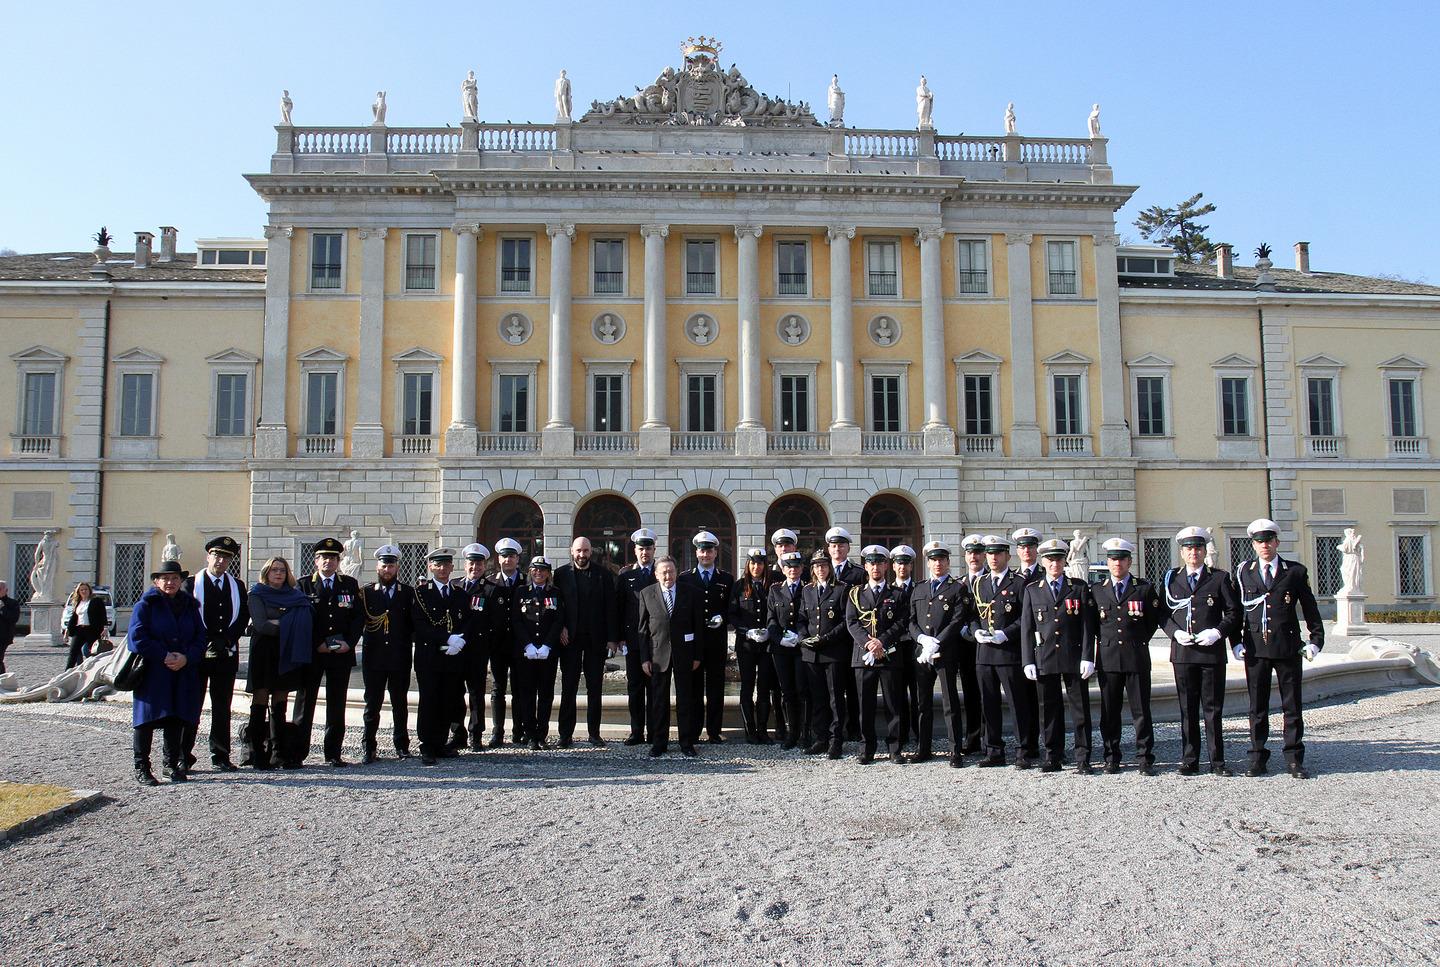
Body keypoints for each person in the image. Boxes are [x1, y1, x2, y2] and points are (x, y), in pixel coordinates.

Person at [1234, 518, 1325, 779]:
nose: (1264, 546)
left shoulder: (1294, 571)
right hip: (1255, 648)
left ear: (1277, 542)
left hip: (1287, 647)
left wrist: (1316, 641)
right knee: (1257, 707)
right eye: (1259, 541)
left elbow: (1310, 609)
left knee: (1291, 705)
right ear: (1253, 544)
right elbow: (1237, 610)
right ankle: (1257, 757)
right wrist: (1236, 641)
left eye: (1269, 541)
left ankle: (1294, 758)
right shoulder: (1244, 572)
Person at [1163, 526, 1241, 776]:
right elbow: (1163, 614)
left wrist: (1217, 632)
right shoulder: (1171, 578)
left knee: (1212, 709)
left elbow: (1233, 612)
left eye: (1198, 548)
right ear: (1182, 553)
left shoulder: (1219, 578)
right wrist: (1175, 632)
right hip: (1183, 653)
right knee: (1187, 709)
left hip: (1211, 654)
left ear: (1205, 551)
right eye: (1188, 548)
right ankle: (1190, 760)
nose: (1193, 552)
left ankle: (1217, 761)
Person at [1020, 539, 1098, 774]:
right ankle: (1052, 755)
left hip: (1073, 656)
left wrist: (1088, 656)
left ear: (1065, 561)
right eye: (1050, 559)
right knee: (1048, 709)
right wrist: (1027, 660)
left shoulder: (1079, 587)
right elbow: (1027, 627)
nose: (1055, 563)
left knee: (1080, 709)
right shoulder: (1033, 590)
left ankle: (1083, 756)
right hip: (1045, 656)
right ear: (1043, 562)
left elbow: (1087, 626)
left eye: (1059, 559)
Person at [126, 561, 205, 786]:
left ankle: (171, 763)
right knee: (146, 720)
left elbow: (200, 638)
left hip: (181, 670)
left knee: (176, 717)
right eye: (165, 578)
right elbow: (137, 638)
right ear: (156, 581)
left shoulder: (190, 606)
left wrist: (186, 657)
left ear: (181, 581)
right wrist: (164, 655)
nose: (170, 582)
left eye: (175, 578)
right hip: (154, 671)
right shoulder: (146, 605)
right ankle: (141, 766)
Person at [1092, 538, 1163, 775]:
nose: (1117, 563)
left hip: (1136, 656)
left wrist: (1137, 639)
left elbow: (1153, 621)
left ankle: (1145, 757)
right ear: (1108, 562)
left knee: (1141, 711)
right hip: (1109, 657)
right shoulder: (1098, 590)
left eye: (1121, 559)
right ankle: (1111, 757)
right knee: (1109, 712)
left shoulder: (1143, 588)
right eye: (1113, 559)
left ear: (1129, 561)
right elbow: (1093, 625)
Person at [180, 536, 249, 772]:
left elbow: (242, 616)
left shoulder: (237, 585)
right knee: (192, 705)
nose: (221, 560)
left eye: (226, 557)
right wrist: (208, 640)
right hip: (198, 654)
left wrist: (228, 638)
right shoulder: (191, 584)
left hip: (226, 653)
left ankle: (220, 754)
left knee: (222, 706)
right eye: (217, 555)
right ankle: (183, 754)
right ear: (208, 556)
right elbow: (185, 617)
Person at [291, 538, 362, 767]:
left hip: (340, 652)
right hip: (313, 653)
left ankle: (333, 753)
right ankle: (298, 752)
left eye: (333, 558)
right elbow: (299, 620)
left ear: (338, 561)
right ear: (316, 560)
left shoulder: (349, 584)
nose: (328, 562)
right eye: (324, 557)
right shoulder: (304, 586)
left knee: (337, 703)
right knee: (305, 702)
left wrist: (349, 643)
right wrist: (316, 644)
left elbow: (357, 618)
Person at [969, 535, 1038, 768]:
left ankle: (1023, 751)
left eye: (998, 554)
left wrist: (1005, 633)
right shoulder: (979, 583)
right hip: (985, 654)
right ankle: (994, 751)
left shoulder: (1019, 583)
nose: (993, 558)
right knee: (988, 704)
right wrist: (975, 631)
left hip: (1009, 652)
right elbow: (972, 615)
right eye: (990, 554)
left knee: (1018, 704)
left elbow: (1025, 619)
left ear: (1008, 556)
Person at [908, 540, 976, 767]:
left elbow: (958, 620)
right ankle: (923, 748)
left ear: (948, 562)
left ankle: (955, 750)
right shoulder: (919, 588)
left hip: (945, 652)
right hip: (922, 653)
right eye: (933, 560)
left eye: (941, 560)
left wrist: (936, 642)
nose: (937, 564)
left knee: (950, 702)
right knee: (923, 702)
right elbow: (911, 620)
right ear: (928, 563)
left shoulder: (958, 588)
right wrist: (921, 639)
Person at [243, 557, 312, 769]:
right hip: (264, 652)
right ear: (267, 572)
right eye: (274, 570)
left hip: (286, 652)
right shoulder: (257, 594)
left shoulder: (295, 595)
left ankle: (279, 752)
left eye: (282, 570)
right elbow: (261, 624)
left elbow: (305, 621)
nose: (278, 574)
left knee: (280, 705)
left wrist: (281, 622)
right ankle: (256, 753)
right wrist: (290, 624)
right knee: (260, 701)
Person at [846, 545, 909, 765]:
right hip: (863, 657)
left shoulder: (897, 594)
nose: (875, 567)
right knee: (865, 705)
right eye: (871, 563)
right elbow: (852, 622)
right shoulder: (855, 594)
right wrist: (869, 644)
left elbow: (902, 622)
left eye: (879, 563)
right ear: (865, 566)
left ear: (886, 566)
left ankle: (894, 748)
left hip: (889, 655)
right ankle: (867, 748)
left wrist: (881, 641)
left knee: (894, 704)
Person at [635, 556, 703, 758]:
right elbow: (643, 630)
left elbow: (698, 626)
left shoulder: (690, 593)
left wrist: (697, 655)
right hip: (658, 655)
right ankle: (659, 743)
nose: (668, 576)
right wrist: (644, 659)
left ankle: (687, 743)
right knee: (658, 701)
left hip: (685, 654)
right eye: (663, 572)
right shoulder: (647, 594)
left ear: (676, 572)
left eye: (671, 571)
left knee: (685, 700)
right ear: (656, 574)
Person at [554, 537, 618, 748]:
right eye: (579, 551)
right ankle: (565, 734)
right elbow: (556, 605)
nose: (582, 555)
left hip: (595, 639)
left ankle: (594, 733)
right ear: (572, 552)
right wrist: (561, 627)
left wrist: (611, 639)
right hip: (569, 639)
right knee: (568, 687)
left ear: (592, 552)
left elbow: (611, 608)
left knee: (595, 687)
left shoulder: (604, 575)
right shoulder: (561, 574)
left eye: (586, 551)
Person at [359, 544, 416, 763]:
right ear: (377, 567)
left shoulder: (408, 593)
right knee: (372, 703)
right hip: (374, 657)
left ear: (397, 568)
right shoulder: (366, 593)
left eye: (391, 565)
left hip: (399, 657)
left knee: (400, 703)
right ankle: (369, 747)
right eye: (384, 565)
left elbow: (412, 625)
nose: (388, 569)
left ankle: (402, 745)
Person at [412, 548, 468, 765]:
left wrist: (461, 639)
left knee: (447, 699)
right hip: (429, 656)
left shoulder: (459, 594)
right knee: (429, 701)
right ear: (431, 567)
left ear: (452, 568)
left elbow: (466, 620)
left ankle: (440, 742)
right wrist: (446, 638)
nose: (443, 569)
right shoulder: (421, 593)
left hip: (452, 657)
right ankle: (426, 745)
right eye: (439, 565)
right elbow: (419, 625)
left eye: (447, 565)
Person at [678, 531, 734, 744]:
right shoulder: (685, 578)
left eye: (709, 550)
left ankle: (713, 731)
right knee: (693, 688)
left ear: (716, 552)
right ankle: (693, 731)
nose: (705, 554)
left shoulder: (725, 578)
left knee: (715, 688)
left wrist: (724, 617)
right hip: (693, 642)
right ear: (696, 552)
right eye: (702, 550)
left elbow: (732, 609)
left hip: (716, 641)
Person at [799, 551, 851, 759]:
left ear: (830, 567)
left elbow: (846, 621)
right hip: (812, 653)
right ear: (812, 569)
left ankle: (835, 740)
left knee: (835, 698)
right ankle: (820, 738)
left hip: (833, 652)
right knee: (817, 698)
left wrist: (827, 638)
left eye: (824, 565)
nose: (820, 569)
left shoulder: (841, 589)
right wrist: (804, 637)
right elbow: (802, 618)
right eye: (816, 566)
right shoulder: (807, 590)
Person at [513, 556, 566, 750]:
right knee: (526, 694)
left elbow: (558, 621)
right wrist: (527, 645)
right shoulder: (520, 592)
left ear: (548, 573)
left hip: (547, 652)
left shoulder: (555, 593)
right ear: (530, 572)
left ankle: (542, 734)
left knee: (545, 694)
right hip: (525, 653)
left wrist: (547, 645)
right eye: (535, 569)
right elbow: (516, 621)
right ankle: (530, 735)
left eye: (542, 570)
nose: (538, 573)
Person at [615, 528, 659, 746]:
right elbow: (618, 608)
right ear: (635, 550)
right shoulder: (626, 575)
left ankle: (653, 731)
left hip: (655, 641)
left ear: (654, 550)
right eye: (641, 549)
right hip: (632, 640)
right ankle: (636, 731)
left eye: (648, 549)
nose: (645, 553)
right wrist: (618, 637)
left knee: (654, 688)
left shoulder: (661, 573)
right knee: (634, 688)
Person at [730, 548, 777, 743]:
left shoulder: (772, 586)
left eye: (759, 563)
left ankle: (763, 730)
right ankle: (750, 730)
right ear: (747, 565)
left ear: (765, 565)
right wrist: (745, 631)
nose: (756, 567)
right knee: (747, 687)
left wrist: (770, 630)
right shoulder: (739, 586)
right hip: (747, 645)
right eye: (753, 563)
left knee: (764, 687)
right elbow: (732, 614)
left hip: (766, 645)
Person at [452, 543, 496, 751]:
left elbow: (492, 620)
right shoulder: (455, 586)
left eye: (479, 564)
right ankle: (457, 733)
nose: (475, 568)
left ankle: (475, 735)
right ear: (465, 564)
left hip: (478, 648)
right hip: (455, 649)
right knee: (455, 692)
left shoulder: (490, 589)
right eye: (471, 563)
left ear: (484, 566)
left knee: (476, 694)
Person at [766, 550, 810, 751]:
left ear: (802, 568)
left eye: (796, 566)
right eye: (789, 566)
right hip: (782, 649)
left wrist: (800, 637)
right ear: (783, 569)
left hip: (802, 648)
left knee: (803, 690)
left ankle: (805, 733)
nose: (793, 570)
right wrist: (779, 638)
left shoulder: (808, 589)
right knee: (787, 692)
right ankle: (792, 733)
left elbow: (812, 619)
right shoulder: (775, 590)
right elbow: (771, 619)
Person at [825, 525, 864, 742]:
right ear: (828, 549)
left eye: (841, 545)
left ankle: (855, 729)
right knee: (834, 688)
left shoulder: (858, 573)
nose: (837, 549)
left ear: (848, 548)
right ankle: (835, 728)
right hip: (832, 640)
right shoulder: (821, 570)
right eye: (833, 545)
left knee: (854, 685)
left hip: (853, 639)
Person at [485, 537, 525, 745]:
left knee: (520, 689)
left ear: (518, 559)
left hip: (520, 645)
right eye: (504, 556)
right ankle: (497, 732)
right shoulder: (490, 583)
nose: (507, 560)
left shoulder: (526, 581)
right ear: (498, 559)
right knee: (497, 689)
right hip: (498, 645)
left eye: (511, 556)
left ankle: (519, 731)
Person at [887, 545, 919, 750]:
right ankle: (901, 735)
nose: (902, 567)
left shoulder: (919, 588)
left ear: (911, 565)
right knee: (896, 693)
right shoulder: (887, 591)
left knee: (916, 693)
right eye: (899, 563)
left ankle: (918, 734)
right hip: (895, 648)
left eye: (906, 563)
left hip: (914, 648)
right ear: (893, 566)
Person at [63, 582, 107, 668]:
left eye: (86, 589)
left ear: (89, 590)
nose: (84, 591)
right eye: (81, 590)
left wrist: (105, 628)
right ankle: (67, 672)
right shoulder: (78, 602)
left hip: (92, 630)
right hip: (79, 630)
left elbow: (102, 614)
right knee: (73, 652)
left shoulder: (96, 601)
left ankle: (96, 669)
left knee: (94, 652)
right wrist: (67, 632)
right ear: (78, 592)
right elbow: (74, 618)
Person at [0, 581, 18, 675]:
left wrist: (2, 608)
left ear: (6, 590)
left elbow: (14, 618)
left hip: (3, 636)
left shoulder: (12, 603)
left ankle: (2, 680)